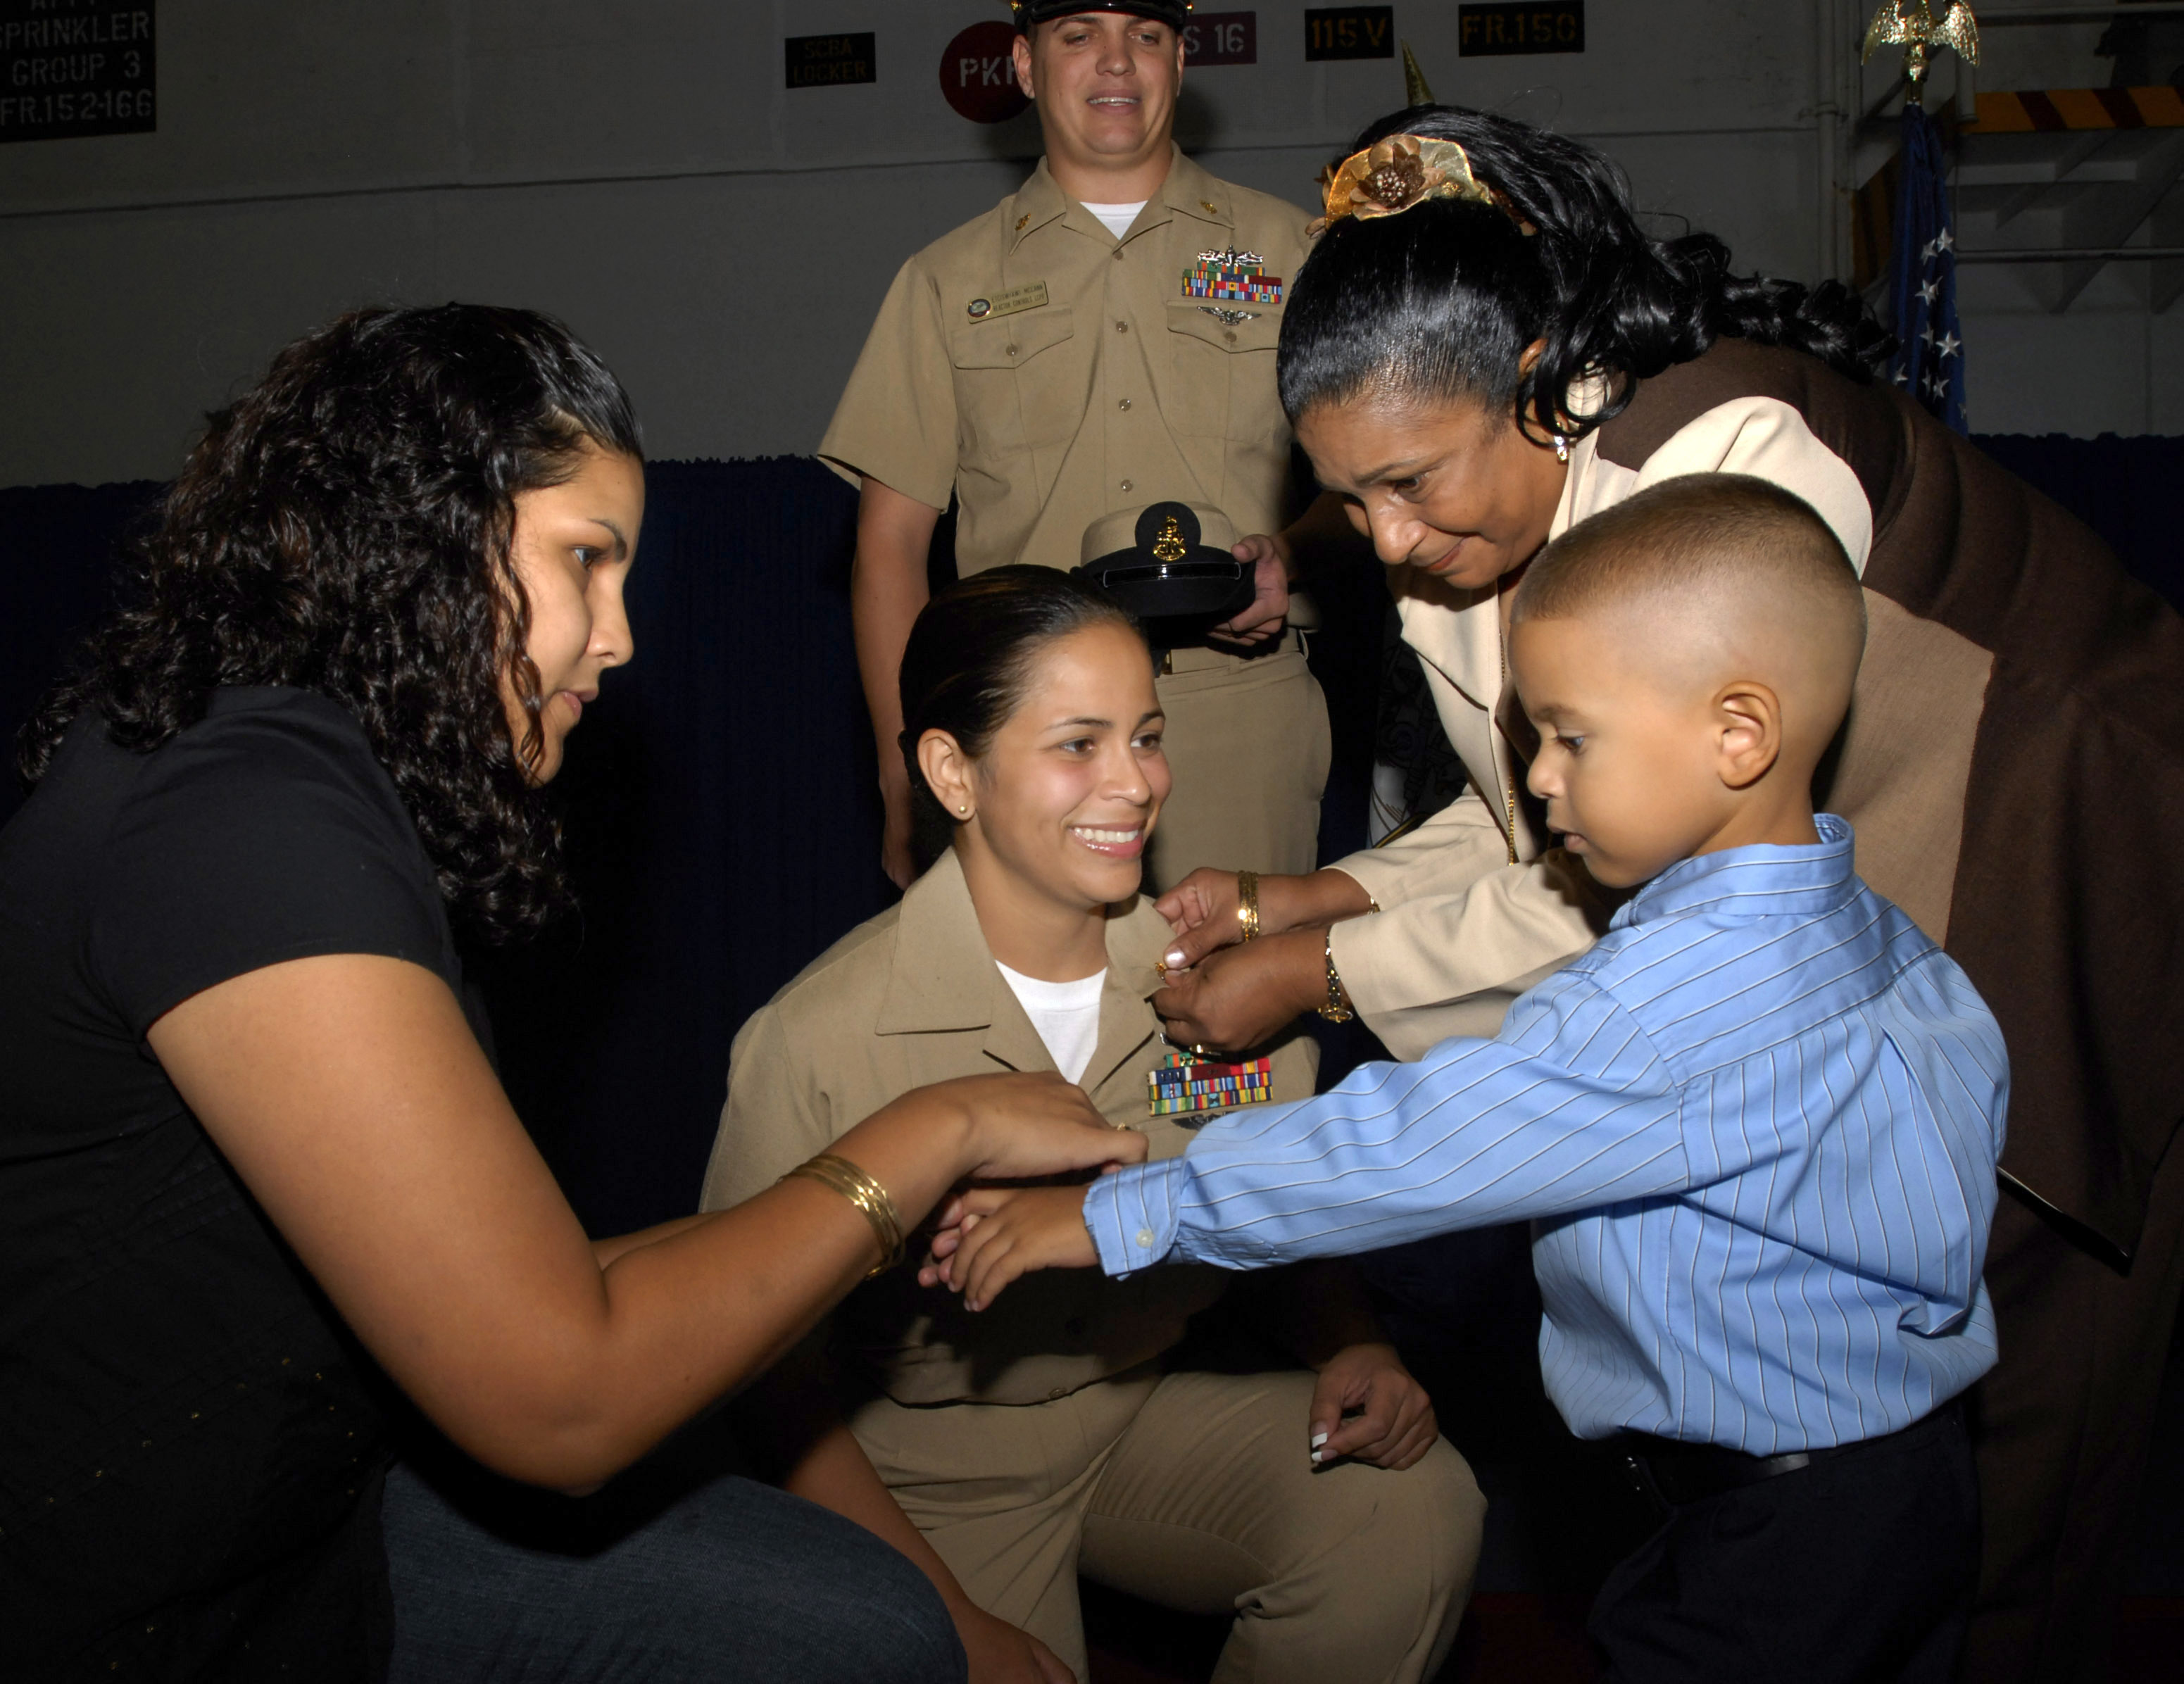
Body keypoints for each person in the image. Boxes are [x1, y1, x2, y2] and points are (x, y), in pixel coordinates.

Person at [1141, 108, 2184, 1682]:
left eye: (1411, 483)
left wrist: (1318, 974)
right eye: (1350, 502)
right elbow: (1540, 811)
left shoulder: (1729, 462)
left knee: (2009, 1455)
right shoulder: (1470, 534)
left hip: (2057, 867)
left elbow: (1657, 869)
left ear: (1545, 363)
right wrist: (1315, 891)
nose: (1388, 542)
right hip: (1828, 959)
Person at [0, 305, 1144, 1683]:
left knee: (864, 1621)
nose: (618, 640)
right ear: (413, 537)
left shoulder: (302, 781)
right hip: (114, 1607)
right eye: (584, 562)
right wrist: (941, 1128)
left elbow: (503, 1286)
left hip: (305, 1528)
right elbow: (565, 1392)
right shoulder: (244, 813)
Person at [932, 475, 2012, 1683]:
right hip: (1913, 1484)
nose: (1538, 781)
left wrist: (1106, 1211)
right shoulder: (1881, 938)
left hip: (1774, 1543)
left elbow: (1400, 1151)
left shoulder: (1663, 1008)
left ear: (1737, 733)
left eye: (1567, 737)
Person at [700, 565, 1481, 1684]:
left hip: (1142, 1407)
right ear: (950, 772)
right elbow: (764, 1384)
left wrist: (1351, 1338)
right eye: (1078, 744)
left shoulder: (1216, 989)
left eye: (1147, 736)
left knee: (1403, 1508)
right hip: (927, 1471)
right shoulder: (816, 1040)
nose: (1136, 784)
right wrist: (945, 1621)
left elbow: (1276, 1195)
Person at [822, 0, 1355, 891]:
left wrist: (1290, 557)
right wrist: (902, 771)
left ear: (1180, 64)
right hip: (1025, 730)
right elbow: (890, 547)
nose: (1116, 64)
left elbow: (1386, 484)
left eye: (1144, 38)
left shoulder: (1293, 253)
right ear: (1026, 68)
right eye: (1079, 38)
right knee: (1038, 1025)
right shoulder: (945, 283)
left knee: (1236, 1015)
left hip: (1238, 715)